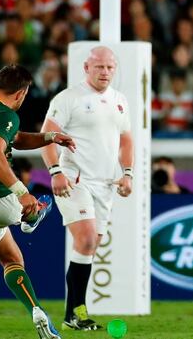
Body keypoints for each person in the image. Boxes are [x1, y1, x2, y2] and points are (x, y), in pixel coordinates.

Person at [0, 64, 75, 339]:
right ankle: (30, 216)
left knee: (12, 261)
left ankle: (36, 310)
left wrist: (50, 137)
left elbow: (14, 140)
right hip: (2, 199)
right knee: (43, 202)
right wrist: (22, 192)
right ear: (21, 93)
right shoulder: (6, 113)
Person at [40, 46, 133, 331]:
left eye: (109, 67)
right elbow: (47, 136)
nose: (105, 72)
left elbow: (126, 140)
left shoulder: (119, 100)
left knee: (90, 247)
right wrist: (55, 171)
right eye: (99, 67)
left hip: (106, 184)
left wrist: (127, 173)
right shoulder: (69, 98)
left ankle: (73, 315)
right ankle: (75, 313)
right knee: (89, 240)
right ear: (86, 68)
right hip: (75, 179)